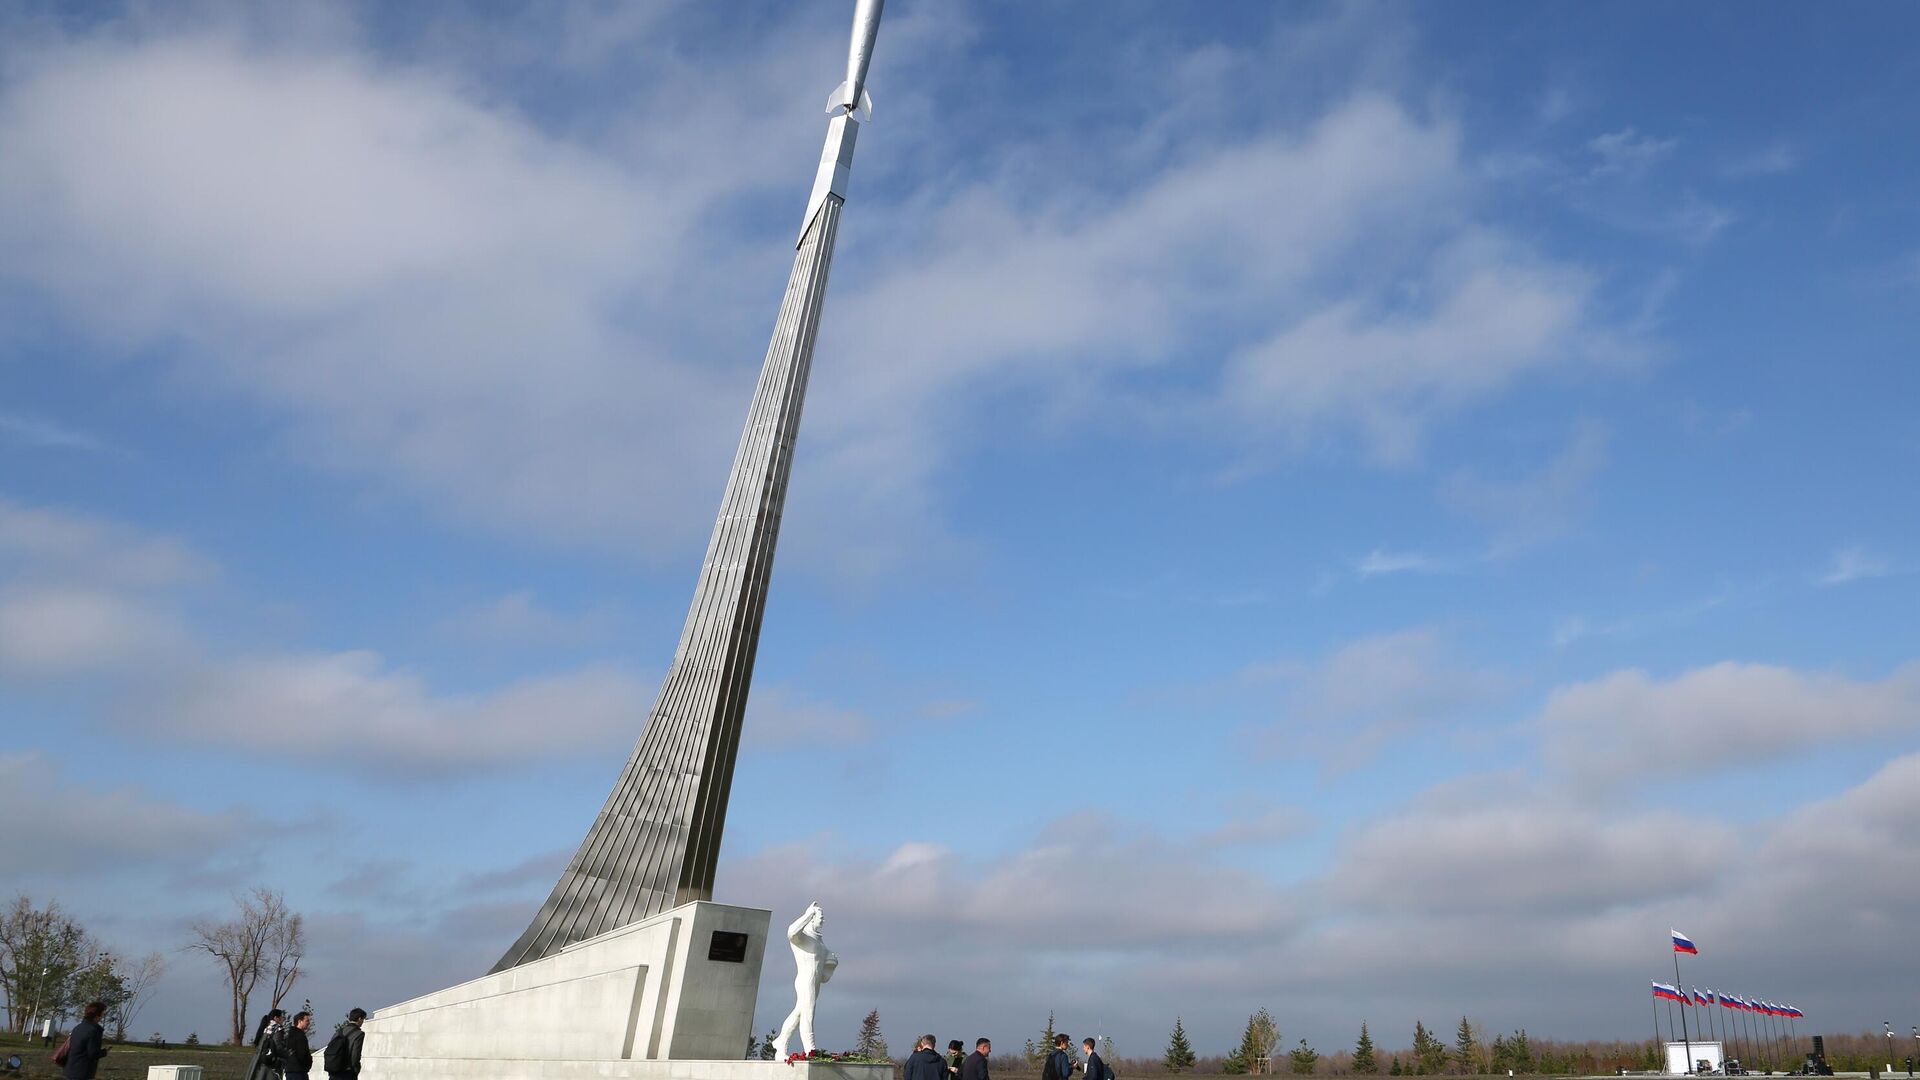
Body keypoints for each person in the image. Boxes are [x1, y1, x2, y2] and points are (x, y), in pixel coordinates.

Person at [773, 902, 837, 1055]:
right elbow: (791, 933)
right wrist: (807, 914)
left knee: (799, 1013)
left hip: (815, 982)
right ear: (812, 918)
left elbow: (823, 975)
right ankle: (810, 1050)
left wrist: (832, 961)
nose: (823, 920)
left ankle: (781, 1041)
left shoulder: (819, 940)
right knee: (808, 1014)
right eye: (820, 917)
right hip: (805, 980)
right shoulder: (803, 937)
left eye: (823, 917)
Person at [61, 1001, 109, 1080]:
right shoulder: (94, 1031)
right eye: (103, 1013)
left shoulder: (77, 1028)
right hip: (83, 1072)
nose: (103, 1016)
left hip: (70, 1069)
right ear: (98, 1015)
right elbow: (92, 1054)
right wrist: (105, 1052)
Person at [325, 1008, 368, 1080]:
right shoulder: (359, 1034)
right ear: (359, 1019)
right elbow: (355, 1054)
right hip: (347, 1072)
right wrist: (356, 1069)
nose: (363, 1022)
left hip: (334, 1069)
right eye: (363, 1019)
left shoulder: (339, 1031)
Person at [276, 1012, 315, 1080]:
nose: (309, 1023)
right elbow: (302, 1054)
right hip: (299, 1072)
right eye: (307, 1021)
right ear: (300, 1021)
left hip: (290, 1071)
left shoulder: (289, 1034)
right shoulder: (300, 1036)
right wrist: (308, 1063)